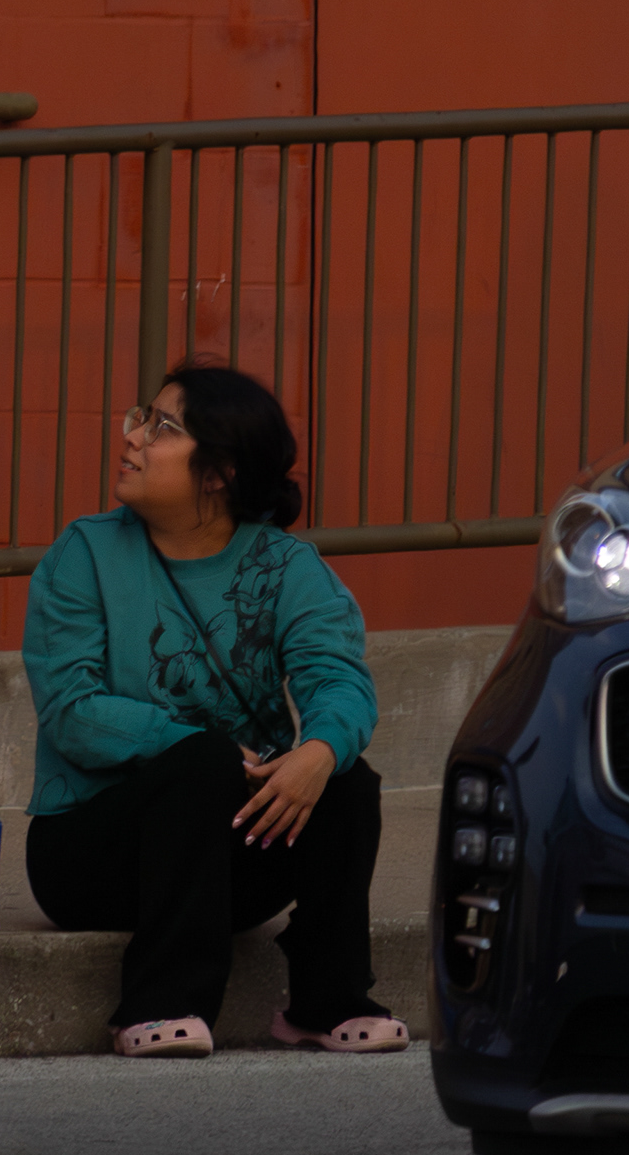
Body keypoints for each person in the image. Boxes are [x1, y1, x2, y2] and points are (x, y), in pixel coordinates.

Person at [22, 363, 399, 1059]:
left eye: (160, 427)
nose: (131, 436)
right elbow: (72, 712)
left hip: (228, 856)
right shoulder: (86, 554)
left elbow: (339, 680)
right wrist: (208, 754)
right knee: (198, 759)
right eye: (143, 418)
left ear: (219, 472)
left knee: (345, 778)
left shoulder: (286, 567)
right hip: (91, 852)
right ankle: (159, 1003)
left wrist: (317, 753)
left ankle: (329, 1002)